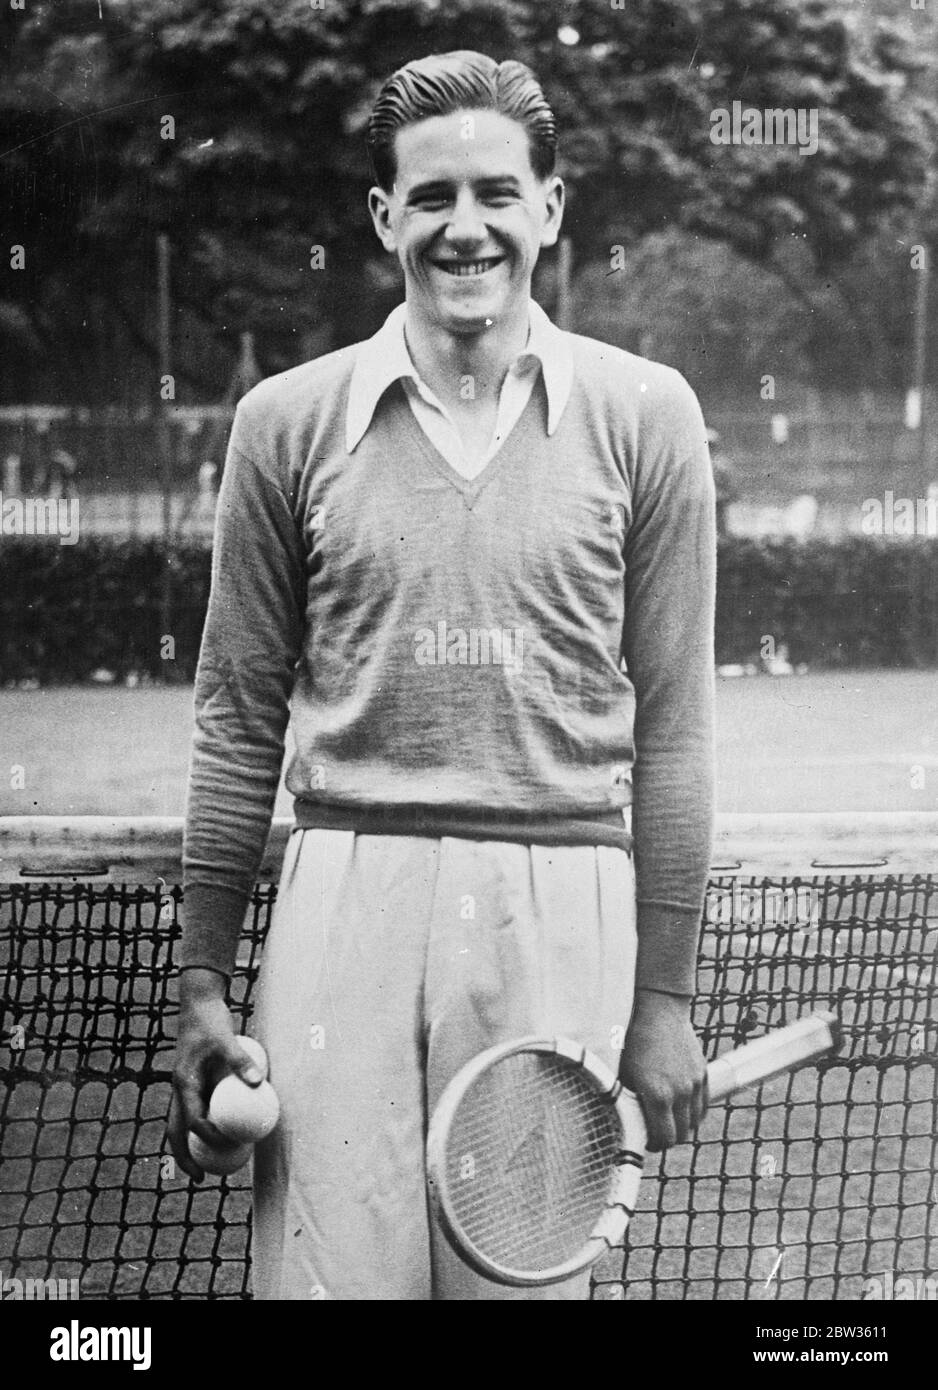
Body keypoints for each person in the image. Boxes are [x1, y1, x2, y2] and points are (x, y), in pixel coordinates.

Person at [167, 50, 716, 1302]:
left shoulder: (647, 414)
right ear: (383, 219)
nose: (462, 226)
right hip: (341, 896)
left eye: (493, 193)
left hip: (564, 905)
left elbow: (677, 730)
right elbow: (237, 711)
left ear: (548, 210)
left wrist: (664, 997)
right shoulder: (284, 423)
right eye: (429, 199)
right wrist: (201, 982)